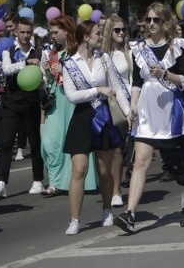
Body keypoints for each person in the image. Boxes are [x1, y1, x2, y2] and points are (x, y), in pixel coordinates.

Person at [115, 3, 184, 233]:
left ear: (165, 23)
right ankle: (130, 214)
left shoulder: (178, 48)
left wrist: (164, 74)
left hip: (171, 112)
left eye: (156, 20)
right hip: (147, 112)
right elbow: (137, 82)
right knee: (140, 161)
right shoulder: (138, 49)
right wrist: (132, 106)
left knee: (180, 165)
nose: (151, 24)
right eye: (149, 20)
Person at [62, 21, 127, 234]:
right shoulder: (70, 63)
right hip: (82, 119)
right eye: (98, 34)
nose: (101, 36)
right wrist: (97, 90)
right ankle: (74, 219)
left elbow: (117, 86)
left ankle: (107, 209)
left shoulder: (104, 58)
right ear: (85, 37)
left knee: (104, 170)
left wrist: (128, 112)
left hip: (104, 117)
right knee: (79, 169)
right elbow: (72, 96)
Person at [0, 17, 45, 199]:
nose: (25, 35)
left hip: (31, 102)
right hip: (11, 102)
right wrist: (25, 64)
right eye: (22, 32)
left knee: (35, 142)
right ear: (15, 32)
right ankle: (1, 182)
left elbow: (43, 76)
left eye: (28, 32)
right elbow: (6, 70)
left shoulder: (38, 51)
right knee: (6, 142)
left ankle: (38, 179)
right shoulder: (9, 51)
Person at [41, 15, 76, 196]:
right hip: (55, 103)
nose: (53, 36)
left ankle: (71, 181)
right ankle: (54, 181)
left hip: (71, 102)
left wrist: (65, 70)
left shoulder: (76, 53)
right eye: (51, 32)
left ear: (67, 32)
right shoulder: (52, 54)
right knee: (50, 142)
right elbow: (48, 81)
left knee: (70, 144)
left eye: (56, 32)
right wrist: (46, 71)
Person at [101, 15, 131, 207]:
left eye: (123, 30)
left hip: (127, 102)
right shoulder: (103, 55)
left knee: (119, 150)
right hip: (109, 104)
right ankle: (108, 186)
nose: (121, 33)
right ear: (109, 32)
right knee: (108, 151)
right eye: (117, 30)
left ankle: (117, 191)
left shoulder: (129, 52)